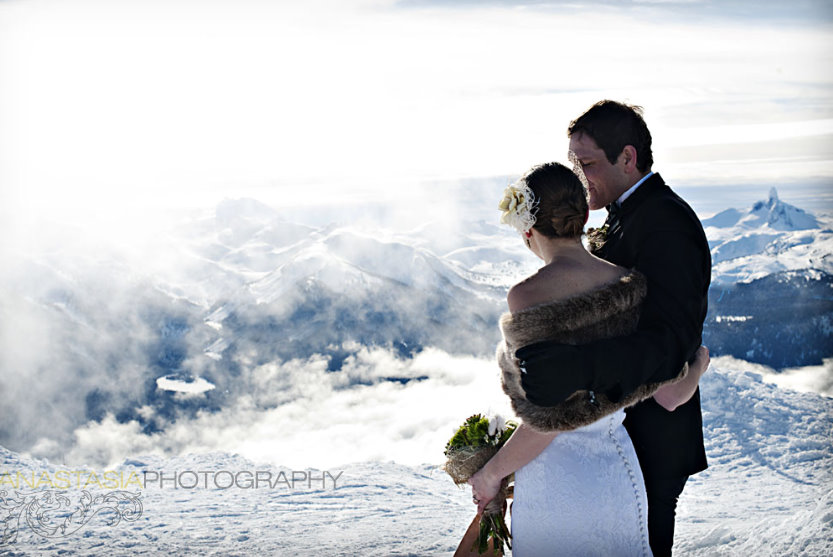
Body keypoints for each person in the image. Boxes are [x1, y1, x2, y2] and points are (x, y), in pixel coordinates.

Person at [466, 162, 709, 556]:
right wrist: (697, 364)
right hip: (619, 472)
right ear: (583, 217)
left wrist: (491, 474)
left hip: (558, 481)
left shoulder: (526, 296)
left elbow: (549, 420)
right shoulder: (628, 283)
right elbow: (671, 389)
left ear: (527, 228)